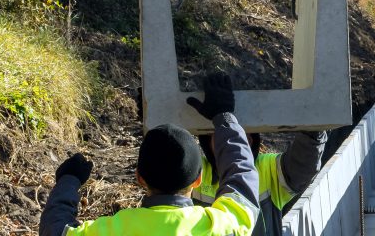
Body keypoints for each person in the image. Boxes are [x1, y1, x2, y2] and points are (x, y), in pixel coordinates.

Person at [40, 74, 259, 236]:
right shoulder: (219, 226)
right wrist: (224, 117)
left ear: (139, 177)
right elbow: (241, 176)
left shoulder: (114, 229)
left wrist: (69, 180)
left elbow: (56, 229)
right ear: (198, 179)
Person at [192, 130, 327, 236]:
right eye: (222, 138)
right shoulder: (196, 171)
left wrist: (313, 133)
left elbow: (303, 165)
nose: (230, 146)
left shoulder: (267, 168)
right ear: (208, 142)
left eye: (238, 136)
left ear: (250, 140)